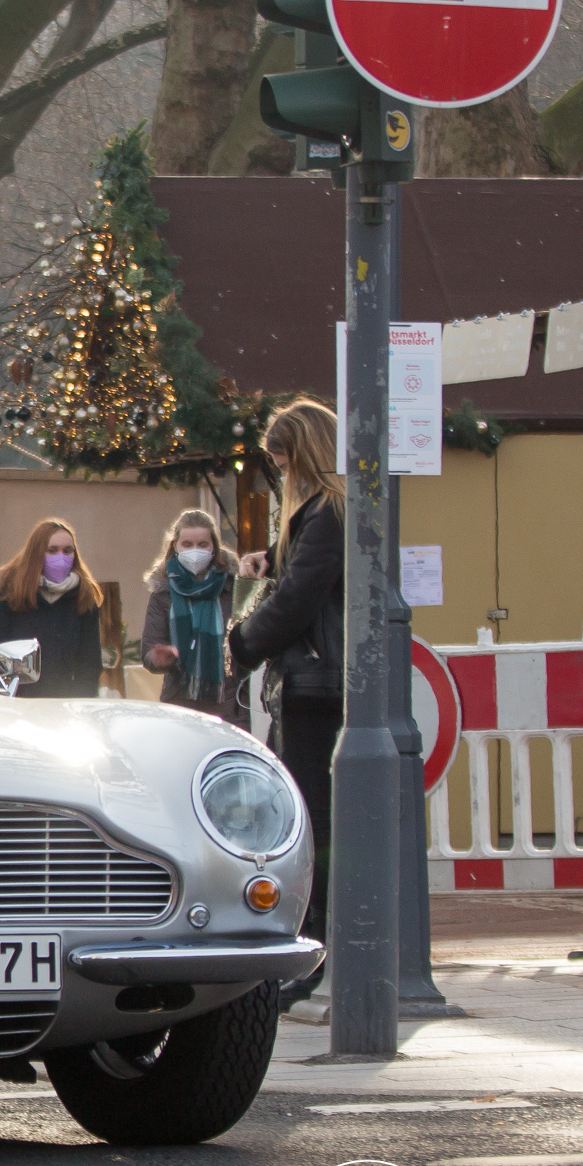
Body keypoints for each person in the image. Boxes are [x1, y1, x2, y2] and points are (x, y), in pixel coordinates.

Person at [227, 399, 346, 993]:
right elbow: (301, 580)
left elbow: (299, 598)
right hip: (318, 677)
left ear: (304, 456)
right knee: (314, 811)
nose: (281, 477)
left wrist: (243, 640)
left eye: (282, 464)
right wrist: (270, 560)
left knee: (310, 816)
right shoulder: (330, 510)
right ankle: (322, 938)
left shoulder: (323, 512)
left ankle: (317, 942)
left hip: (315, 680)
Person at [0, 518, 103, 699]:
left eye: (68, 551)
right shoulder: (10, 599)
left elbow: (89, 665)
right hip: (19, 707)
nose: (60, 557)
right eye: (52, 551)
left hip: (65, 707)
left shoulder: (84, 600)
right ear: (36, 554)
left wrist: (79, 703)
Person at [140, 508, 239, 721]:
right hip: (180, 702)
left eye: (202, 544)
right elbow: (149, 650)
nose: (195, 551)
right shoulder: (163, 591)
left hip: (230, 703)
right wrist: (159, 658)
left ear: (214, 547)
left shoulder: (234, 589)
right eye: (187, 544)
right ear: (175, 546)